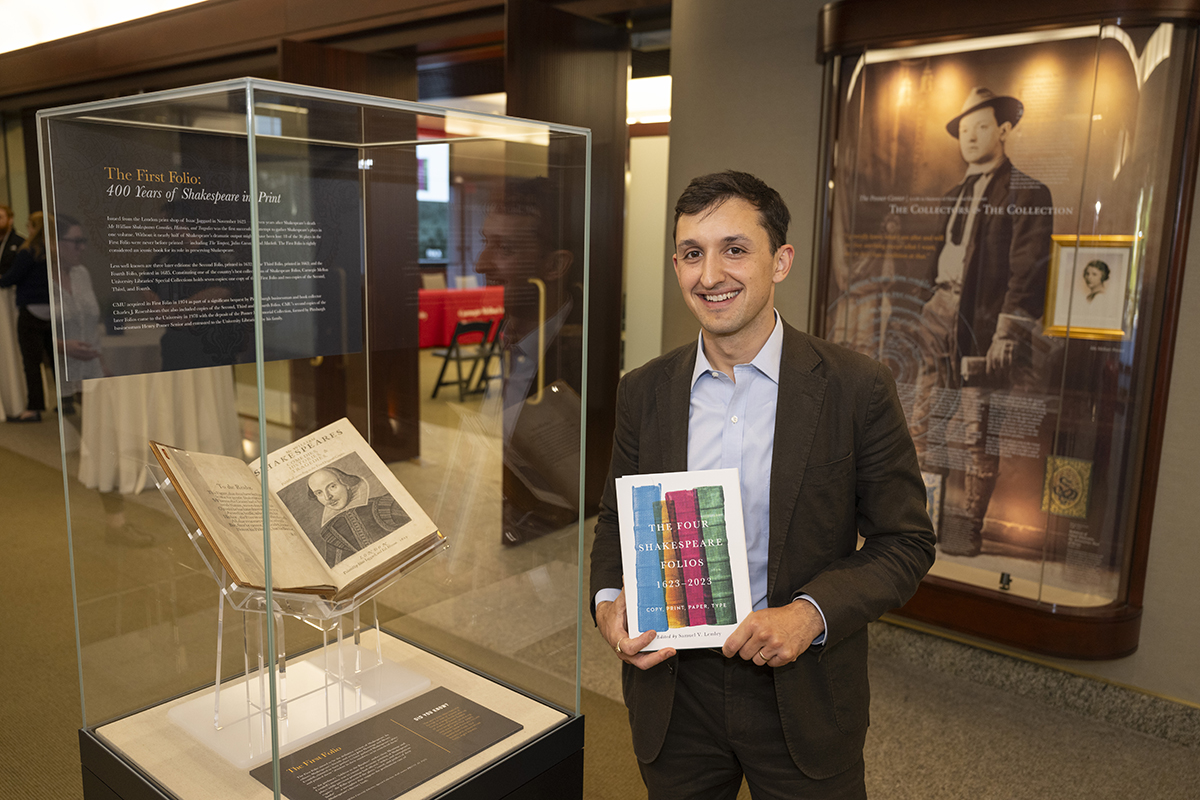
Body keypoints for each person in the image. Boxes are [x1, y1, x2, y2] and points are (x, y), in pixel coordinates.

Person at [590, 171, 936, 799]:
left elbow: (905, 542)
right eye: (692, 253)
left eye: (735, 249)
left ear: (780, 262)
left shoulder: (856, 388)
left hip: (802, 691)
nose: (711, 274)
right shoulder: (644, 390)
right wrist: (609, 605)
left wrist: (810, 614)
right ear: (675, 266)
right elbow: (617, 518)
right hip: (674, 692)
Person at [912, 87, 1053, 556]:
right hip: (938, 315)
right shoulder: (952, 195)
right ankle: (918, 527)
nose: (970, 138)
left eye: (981, 128)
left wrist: (1006, 333)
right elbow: (932, 262)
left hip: (983, 324)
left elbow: (1028, 269)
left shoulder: (1028, 193)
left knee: (976, 427)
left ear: (1005, 131)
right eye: (964, 131)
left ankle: (969, 527)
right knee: (923, 422)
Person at [0, 212, 52, 422]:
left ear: (34, 228)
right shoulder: (56, 251)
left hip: (31, 310)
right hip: (53, 310)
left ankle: (34, 407)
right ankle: (65, 401)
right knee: (56, 360)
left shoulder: (28, 250)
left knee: (31, 361)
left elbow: (12, 278)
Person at [306, 467, 410, 567]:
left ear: (346, 484)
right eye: (319, 493)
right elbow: (339, 570)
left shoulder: (384, 507)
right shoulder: (332, 531)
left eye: (332, 487)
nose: (327, 497)